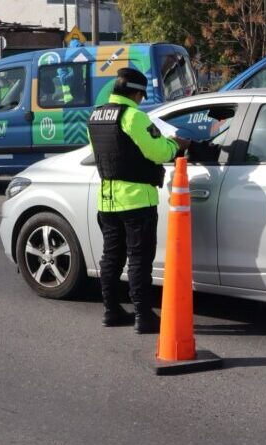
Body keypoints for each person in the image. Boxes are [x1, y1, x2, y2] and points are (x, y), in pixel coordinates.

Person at [87, 68, 190, 332]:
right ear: (135, 92)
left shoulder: (96, 116)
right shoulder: (133, 117)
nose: (142, 100)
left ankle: (110, 311)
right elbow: (157, 152)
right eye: (141, 95)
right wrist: (175, 145)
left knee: (111, 257)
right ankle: (143, 316)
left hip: (106, 200)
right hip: (136, 201)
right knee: (139, 259)